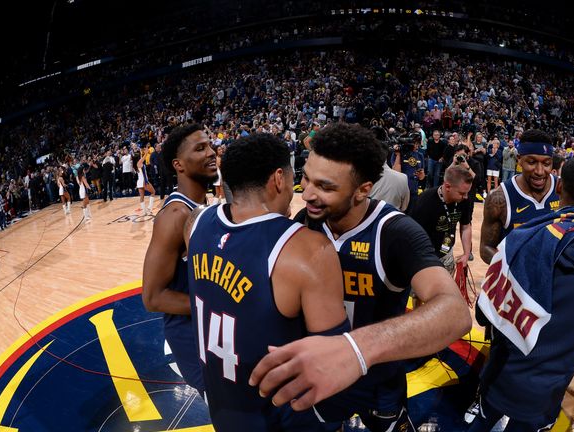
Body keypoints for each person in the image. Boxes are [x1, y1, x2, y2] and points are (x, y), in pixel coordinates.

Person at [251, 122, 471, 430]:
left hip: (378, 380)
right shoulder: (307, 221)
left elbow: (455, 313)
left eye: (326, 187)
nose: (309, 194)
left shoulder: (395, 232)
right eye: (306, 179)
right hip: (319, 372)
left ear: (363, 190)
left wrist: (354, 349)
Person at [184, 133, 349, 431]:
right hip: (281, 418)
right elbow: (333, 362)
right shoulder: (309, 250)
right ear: (278, 179)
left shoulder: (195, 223)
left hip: (222, 409)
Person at [469, 157, 574, 431]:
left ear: (559, 187)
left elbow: (485, 315)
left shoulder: (522, 238)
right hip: (546, 396)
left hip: (502, 381)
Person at [142, 123, 218, 394]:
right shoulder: (174, 216)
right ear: (179, 165)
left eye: (210, 145)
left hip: (212, 332)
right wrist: (217, 306)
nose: (211, 152)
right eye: (200, 148)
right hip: (193, 341)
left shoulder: (202, 207)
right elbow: (153, 297)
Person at [479, 128, 560, 264]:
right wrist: (517, 271)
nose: (540, 171)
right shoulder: (499, 198)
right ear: (519, 160)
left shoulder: (564, 189)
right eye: (532, 162)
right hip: (516, 282)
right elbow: (486, 248)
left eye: (546, 163)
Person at [410, 164, 474, 275]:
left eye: (467, 192)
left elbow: (466, 226)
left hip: (446, 253)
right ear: (448, 186)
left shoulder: (464, 200)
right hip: (423, 257)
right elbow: (412, 236)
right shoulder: (425, 202)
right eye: (462, 193)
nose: (466, 197)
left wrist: (466, 254)